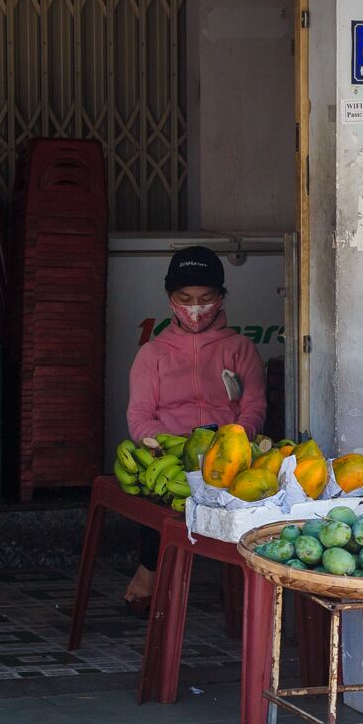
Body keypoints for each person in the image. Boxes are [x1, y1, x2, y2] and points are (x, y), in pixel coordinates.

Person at [123, 246, 266, 611]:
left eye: (205, 298)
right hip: (170, 453)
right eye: (185, 298)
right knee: (162, 493)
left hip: (229, 456)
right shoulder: (152, 354)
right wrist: (158, 446)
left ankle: (245, 588)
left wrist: (238, 438)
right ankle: (149, 571)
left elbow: (253, 406)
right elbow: (140, 414)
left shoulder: (240, 348)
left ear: (220, 298)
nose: (195, 307)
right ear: (170, 299)